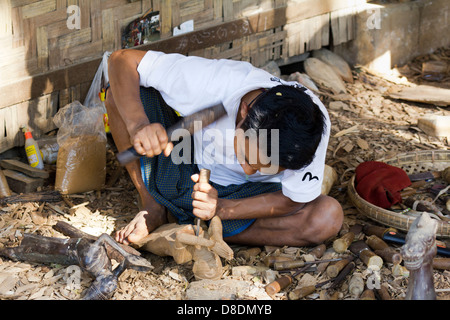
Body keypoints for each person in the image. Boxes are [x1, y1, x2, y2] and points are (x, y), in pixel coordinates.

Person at [105, 49, 343, 247]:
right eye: (247, 157)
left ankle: (196, 225)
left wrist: (222, 208)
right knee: (120, 96)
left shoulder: (309, 126)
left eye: (265, 167)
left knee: (326, 218)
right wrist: (139, 124)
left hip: (248, 197)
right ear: (244, 112)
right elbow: (121, 60)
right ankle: (153, 205)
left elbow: (292, 200)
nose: (249, 169)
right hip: (183, 168)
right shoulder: (215, 81)